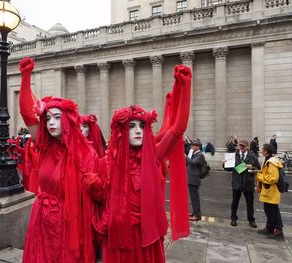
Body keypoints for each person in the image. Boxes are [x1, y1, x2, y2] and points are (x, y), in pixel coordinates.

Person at [95, 65, 192, 262]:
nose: (138, 130)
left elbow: (178, 129)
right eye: (131, 126)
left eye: (141, 125)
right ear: (122, 131)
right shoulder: (107, 162)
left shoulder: (153, 156)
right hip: (118, 237)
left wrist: (185, 88)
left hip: (144, 237)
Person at [18, 57, 100, 263]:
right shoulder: (45, 146)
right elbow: (28, 114)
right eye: (48, 118)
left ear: (68, 120)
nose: (51, 122)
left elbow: (95, 193)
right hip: (42, 218)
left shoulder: (86, 153)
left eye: (56, 117)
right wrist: (26, 78)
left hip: (69, 222)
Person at [224, 139, 261, 228]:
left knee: (250, 203)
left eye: (243, 146)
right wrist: (224, 164)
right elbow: (228, 168)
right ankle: (233, 218)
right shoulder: (234, 155)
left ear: (247, 147)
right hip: (237, 183)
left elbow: (257, 168)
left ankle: (251, 220)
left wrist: (251, 167)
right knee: (235, 203)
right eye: (240, 145)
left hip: (248, 183)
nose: (241, 147)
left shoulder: (252, 156)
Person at [256, 144, 284, 240]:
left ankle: (279, 231)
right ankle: (270, 228)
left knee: (273, 211)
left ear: (266, 151)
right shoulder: (268, 160)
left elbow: (273, 178)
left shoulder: (271, 162)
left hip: (272, 191)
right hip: (268, 191)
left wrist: (259, 176)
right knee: (268, 210)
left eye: (262, 149)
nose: (261, 151)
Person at [186, 139, 205, 221]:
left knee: (195, 198)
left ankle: (197, 215)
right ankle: (194, 212)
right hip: (191, 178)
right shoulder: (193, 153)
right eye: (192, 145)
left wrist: (185, 156)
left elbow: (193, 162)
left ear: (198, 147)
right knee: (193, 198)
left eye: (194, 145)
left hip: (194, 179)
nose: (192, 146)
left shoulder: (200, 155)